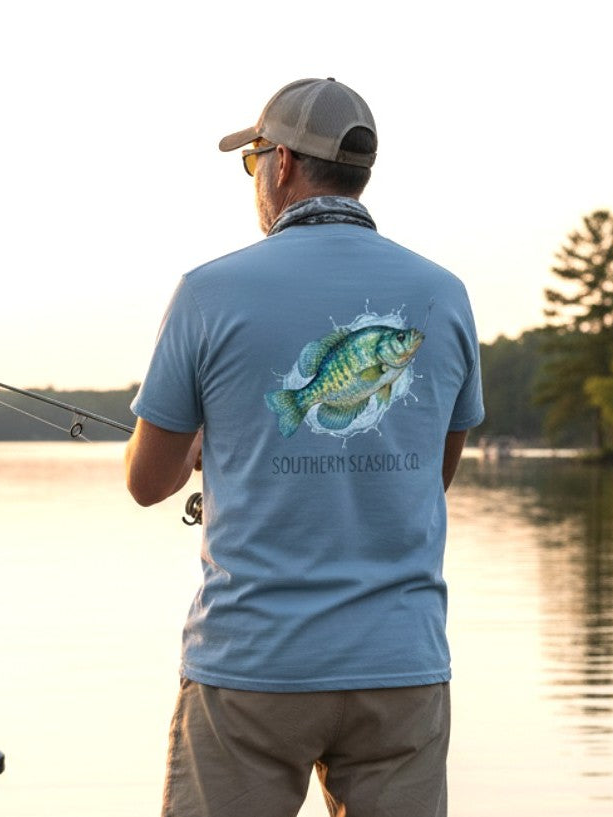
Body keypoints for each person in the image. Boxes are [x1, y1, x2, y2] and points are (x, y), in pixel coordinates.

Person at [125, 77, 484, 817]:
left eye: (254, 158)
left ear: (282, 163)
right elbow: (430, 475)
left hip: (250, 665)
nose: (254, 177)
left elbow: (146, 480)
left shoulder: (207, 291)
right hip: (400, 666)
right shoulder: (444, 294)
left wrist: (199, 444)